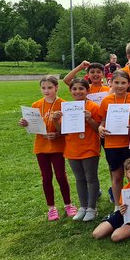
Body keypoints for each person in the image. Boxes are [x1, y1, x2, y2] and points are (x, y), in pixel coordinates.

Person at [18, 75, 77, 221]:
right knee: (46, 177)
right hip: (41, 146)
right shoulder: (36, 105)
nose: (46, 90)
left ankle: (68, 204)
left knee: (60, 176)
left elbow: (67, 128)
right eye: (43, 88)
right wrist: (26, 123)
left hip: (57, 147)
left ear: (57, 87)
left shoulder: (63, 104)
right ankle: (51, 208)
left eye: (49, 87)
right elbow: (34, 125)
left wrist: (56, 134)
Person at [53, 78, 101, 222]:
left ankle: (92, 208)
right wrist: (56, 120)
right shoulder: (66, 107)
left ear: (87, 91)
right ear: (70, 91)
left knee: (91, 178)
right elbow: (62, 131)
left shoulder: (93, 107)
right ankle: (83, 206)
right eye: (74, 89)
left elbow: (98, 129)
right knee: (79, 179)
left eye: (81, 89)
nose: (78, 91)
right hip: (72, 149)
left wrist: (90, 119)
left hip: (89, 148)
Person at [97, 70, 130, 207]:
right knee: (117, 177)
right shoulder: (106, 101)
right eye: (116, 82)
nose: (120, 86)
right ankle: (118, 205)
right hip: (112, 144)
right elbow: (102, 121)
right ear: (111, 83)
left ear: (129, 84)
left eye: (123, 83)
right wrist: (100, 128)